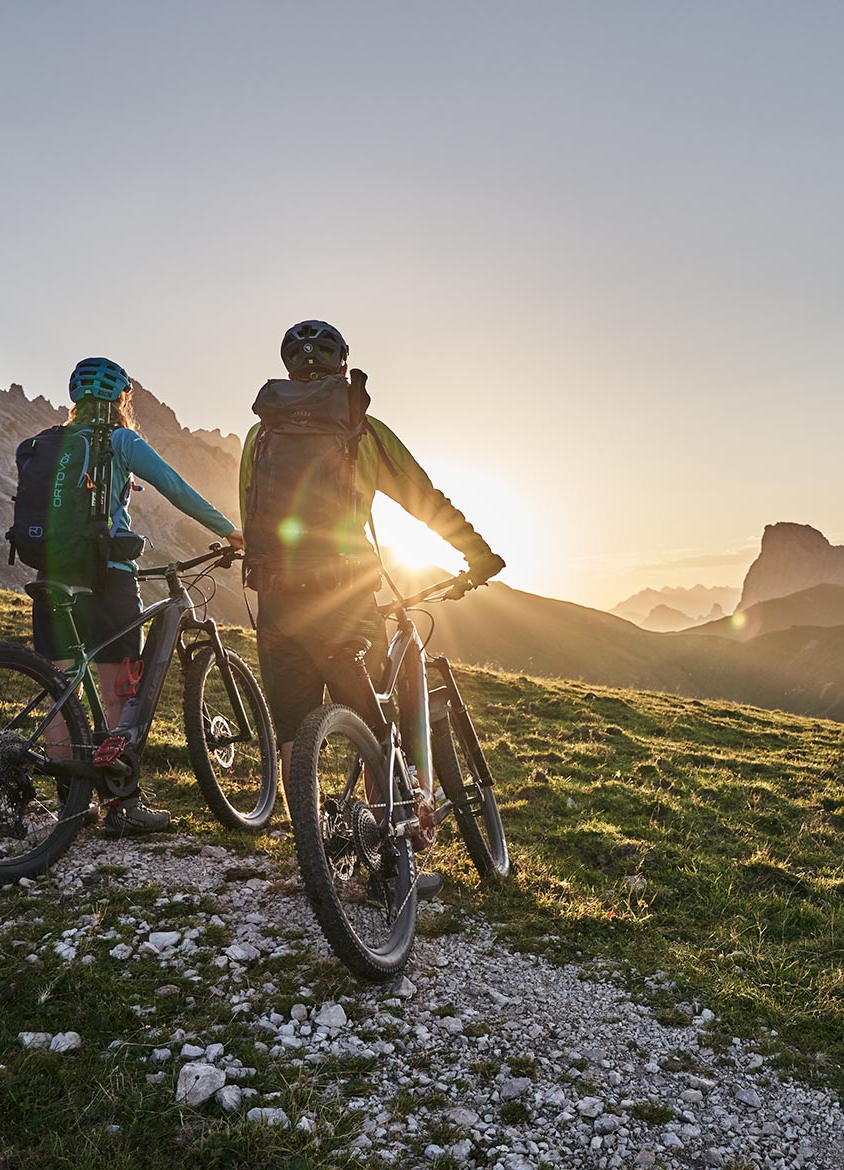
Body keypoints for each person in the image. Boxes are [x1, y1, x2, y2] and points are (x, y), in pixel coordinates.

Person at [239, 320, 504, 896]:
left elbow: (250, 521)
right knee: (375, 725)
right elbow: (423, 498)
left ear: (288, 369)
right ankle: (391, 867)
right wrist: (476, 553)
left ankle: (314, 859)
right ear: (341, 365)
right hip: (345, 595)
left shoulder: (258, 439)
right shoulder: (363, 429)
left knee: (292, 733)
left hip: (279, 603)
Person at [27, 356, 245, 836]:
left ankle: (72, 808)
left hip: (50, 574)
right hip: (107, 577)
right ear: (122, 399)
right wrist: (229, 531)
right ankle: (122, 806)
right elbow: (175, 488)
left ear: (76, 399)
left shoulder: (48, 444)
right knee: (119, 691)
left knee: (62, 691)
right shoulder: (120, 441)